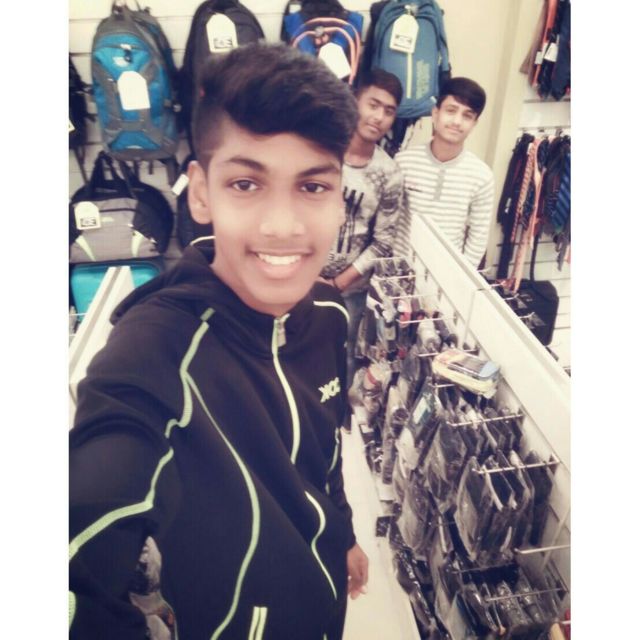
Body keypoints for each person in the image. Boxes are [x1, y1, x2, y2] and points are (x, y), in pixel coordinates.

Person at [69, 43, 369, 640]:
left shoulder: (330, 312)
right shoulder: (150, 358)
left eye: (312, 187)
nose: (282, 226)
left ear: (340, 199)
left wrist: (343, 532)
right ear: (201, 194)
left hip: (326, 610)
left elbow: (327, 447)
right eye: (246, 183)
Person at [320, 68, 404, 390]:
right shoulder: (321, 152)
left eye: (389, 111)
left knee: (344, 359)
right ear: (354, 101)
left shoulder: (389, 174)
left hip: (350, 290)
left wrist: (337, 284)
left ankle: (339, 414)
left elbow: (383, 242)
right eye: (373, 104)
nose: (379, 117)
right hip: (300, 277)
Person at [394, 77, 495, 268]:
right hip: (397, 271)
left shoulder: (482, 176)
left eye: (467, 116)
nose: (457, 121)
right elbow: (388, 222)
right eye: (451, 110)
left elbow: (478, 237)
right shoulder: (403, 162)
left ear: (474, 123)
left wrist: (458, 277)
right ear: (435, 113)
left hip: (444, 275)